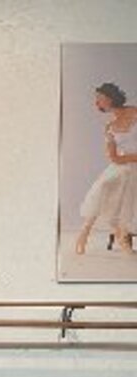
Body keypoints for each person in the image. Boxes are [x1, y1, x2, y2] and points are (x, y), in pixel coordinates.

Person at [76, 82, 137, 255]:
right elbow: (113, 157)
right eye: (96, 100)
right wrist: (127, 159)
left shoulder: (135, 112)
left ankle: (122, 236)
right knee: (105, 185)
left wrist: (127, 159)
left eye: (100, 99)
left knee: (127, 182)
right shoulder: (109, 127)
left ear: (111, 98)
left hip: (130, 166)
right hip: (124, 166)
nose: (97, 103)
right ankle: (84, 234)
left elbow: (120, 157)